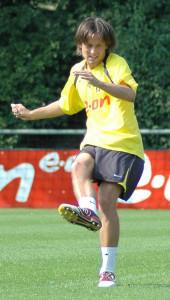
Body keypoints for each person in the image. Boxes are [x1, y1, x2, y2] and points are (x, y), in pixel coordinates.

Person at [11, 17, 144, 288]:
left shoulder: (116, 65)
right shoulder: (76, 71)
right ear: (79, 46)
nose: (93, 51)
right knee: (79, 163)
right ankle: (87, 210)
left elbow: (129, 95)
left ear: (107, 47)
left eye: (99, 46)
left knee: (107, 201)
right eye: (88, 46)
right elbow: (65, 105)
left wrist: (99, 82)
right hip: (95, 140)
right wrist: (30, 114)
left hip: (123, 144)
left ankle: (107, 270)